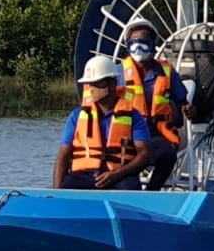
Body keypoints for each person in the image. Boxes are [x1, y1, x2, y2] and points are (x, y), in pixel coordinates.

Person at [53, 56, 150, 190]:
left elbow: (144, 154)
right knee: (68, 185)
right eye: (89, 83)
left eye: (96, 83)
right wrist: (56, 194)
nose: (91, 88)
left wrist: (115, 174)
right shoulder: (77, 116)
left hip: (120, 177)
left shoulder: (134, 116)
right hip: (83, 176)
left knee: (130, 187)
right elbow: (63, 154)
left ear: (112, 84)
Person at [121, 16, 193, 191]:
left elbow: (182, 100)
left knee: (167, 155)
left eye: (143, 43)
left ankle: (152, 192)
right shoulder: (118, 72)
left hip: (157, 135)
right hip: (127, 135)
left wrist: (189, 110)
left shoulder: (167, 71)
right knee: (127, 173)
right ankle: (131, 190)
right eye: (133, 44)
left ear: (153, 44)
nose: (138, 48)